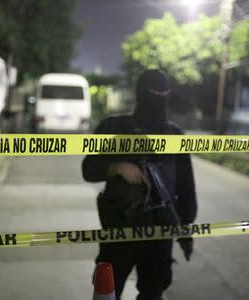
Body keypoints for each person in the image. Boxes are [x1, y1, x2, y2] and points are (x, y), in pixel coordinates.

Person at [82, 69, 197, 300]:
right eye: (155, 92)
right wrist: (117, 167)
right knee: (107, 293)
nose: (159, 98)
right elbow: (88, 170)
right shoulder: (114, 128)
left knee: (153, 293)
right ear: (141, 94)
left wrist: (185, 228)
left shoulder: (175, 136)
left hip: (159, 236)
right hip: (119, 232)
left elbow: (186, 191)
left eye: (163, 93)